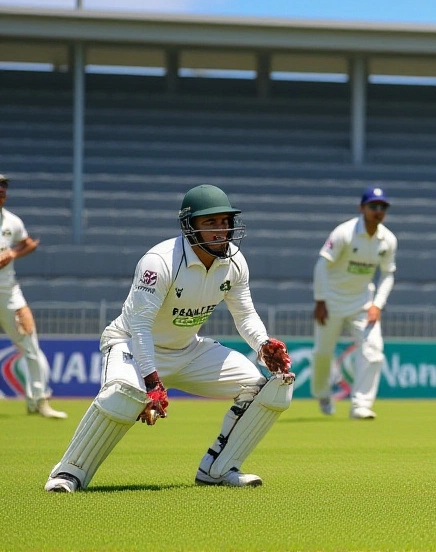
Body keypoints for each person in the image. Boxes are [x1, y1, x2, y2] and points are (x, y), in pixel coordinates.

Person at [44, 185, 294, 492]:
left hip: (186, 349)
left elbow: (244, 314)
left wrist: (263, 344)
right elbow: (140, 326)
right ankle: (67, 474)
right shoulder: (159, 261)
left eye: (225, 221)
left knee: (261, 388)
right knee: (122, 394)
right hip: (131, 344)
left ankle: (217, 469)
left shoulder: (235, 262)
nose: (221, 230)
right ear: (190, 226)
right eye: (210, 223)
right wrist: (151, 382)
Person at [311, 186, 397, 420]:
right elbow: (322, 265)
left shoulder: (388, 240)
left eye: (382, 207)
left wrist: (377, 304)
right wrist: (320, 300)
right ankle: (322, 394)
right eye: (373, 206)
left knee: (374, 351)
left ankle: (361, 405)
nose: (378, 211)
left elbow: (388, 274)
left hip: (362, 304)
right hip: (331, 302)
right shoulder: (344, 233)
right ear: (362, 208)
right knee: (323, 353)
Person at [0, 173, 66, 419]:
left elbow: (29, 243)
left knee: (30, 344)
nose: (2, 191)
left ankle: (38, 401)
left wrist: (13, 255)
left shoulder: (12, 222)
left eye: (4, 187)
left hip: (8, 293)